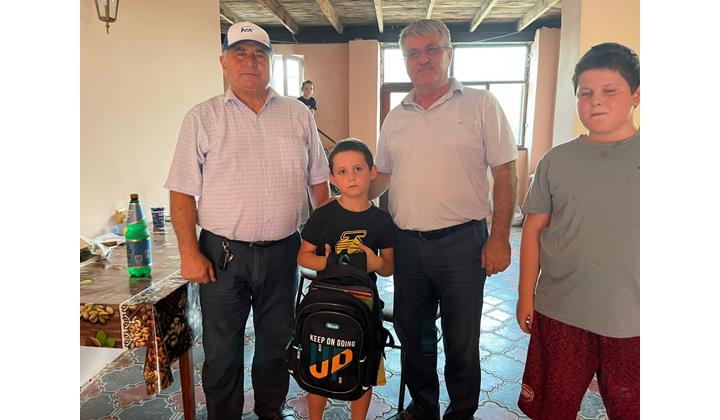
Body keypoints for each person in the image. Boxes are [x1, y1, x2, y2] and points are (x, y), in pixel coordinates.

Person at [164, 22, 330, 420]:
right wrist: (189, 252)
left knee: (277, 343)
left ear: (270, 62)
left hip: (284, 252)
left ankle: (271, 409)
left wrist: (325, 242)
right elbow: (182, 191)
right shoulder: (202, 117)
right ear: (223, 62)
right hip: (222, 256)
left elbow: (319, 183)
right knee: (222, 351)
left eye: (259, 54)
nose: (250, 61)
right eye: (240, 53)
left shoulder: (298, 114)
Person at [371, 19, 518, 420]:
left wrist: (500, 237)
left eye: (431, 49)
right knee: (413, 334)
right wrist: (347, 194)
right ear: (405, 61)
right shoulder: (395, 117)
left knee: (461, 338)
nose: (423, 59)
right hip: (407, 246)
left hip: (463, 244)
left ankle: (462, 410)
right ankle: (423, 406)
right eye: (413, 53)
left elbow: (506, 172)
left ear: (449, 53)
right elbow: (382, 176)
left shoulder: (481, 104)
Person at [515, 42, 640, 420]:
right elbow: (533, 230)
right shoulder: (556, 160)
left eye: (609, 91)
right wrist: (525, 295)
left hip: (632, 318)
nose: (596, 101)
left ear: (636, 95)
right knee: (552, 407)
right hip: (560, 310)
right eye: (585, 93)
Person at [297, 138, 395, 420]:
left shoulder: (382, 220)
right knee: (319, 365)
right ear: (332, 178)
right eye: (342, 171)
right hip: (325, 300)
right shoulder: (323, 216)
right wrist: (328, 262)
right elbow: (303, 257)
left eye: (358, 169)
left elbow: (389, 267)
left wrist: (376, 263)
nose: (351, 177)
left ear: (372, 171)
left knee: (365, 367)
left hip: (364, 305)